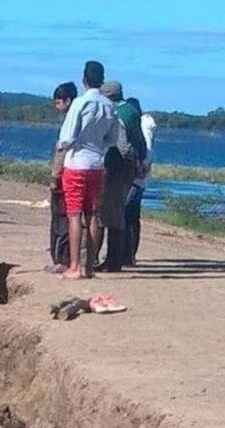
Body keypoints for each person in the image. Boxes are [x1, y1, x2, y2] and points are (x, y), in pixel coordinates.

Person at [56, 61, 119, 279]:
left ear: (84, 80)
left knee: (74, 214)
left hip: (77, 163)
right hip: (96, 164)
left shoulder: (80, 103)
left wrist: (63, 146)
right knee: (92, 214)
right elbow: (113, 138)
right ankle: (89, 266)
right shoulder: (109, 106)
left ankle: (74, 265)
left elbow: (68, 136)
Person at [96, 81, 145, 272]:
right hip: (128, 169)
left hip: (117, 167)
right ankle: (116, 258)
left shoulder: (118, 114)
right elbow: (139, 141)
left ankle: (113, 260)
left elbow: (123, 146)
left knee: (113, 212)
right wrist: (139, 163)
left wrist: (132, 161)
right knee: (117, 211)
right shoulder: (132, 112)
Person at [47, 82, 79, 273]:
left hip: (66, 175)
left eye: (59, 102)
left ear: (68, 101)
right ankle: (64, 258)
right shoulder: (76, 119)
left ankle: (62, 259)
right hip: (72, 172)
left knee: (61, 219)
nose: (56, 106)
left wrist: (55, 176)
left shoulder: (71, 123)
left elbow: (62, 151)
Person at [123, 97, 155, 265]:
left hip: (136, 177)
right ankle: (130, 254)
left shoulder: (143, 126)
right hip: (139, 178)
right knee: (133, 216)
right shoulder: (145, 125)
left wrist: (141, 167)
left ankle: (128, 254)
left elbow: (147, 149)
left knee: (128, 215)